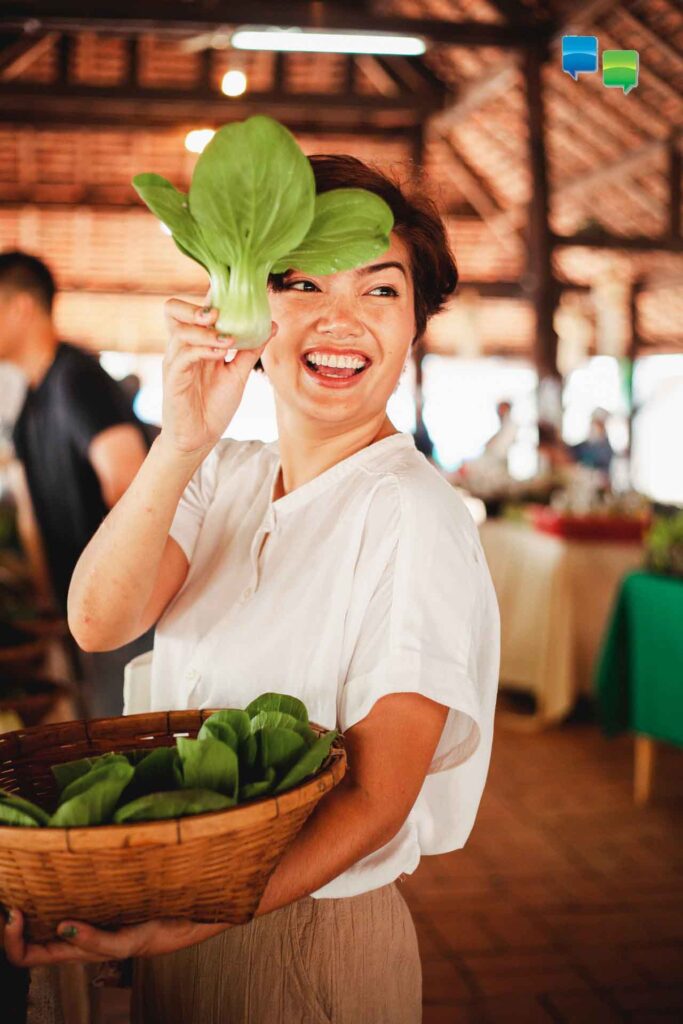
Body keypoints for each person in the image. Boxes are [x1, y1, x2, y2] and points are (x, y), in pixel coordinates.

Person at [5, 156, 500, 1023]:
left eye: (379, 291)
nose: (339, 319)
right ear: (246, 307)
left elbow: (376, 797)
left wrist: (184, 922)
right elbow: (97, 620)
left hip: (304, 945)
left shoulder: (414, 514)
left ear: (417, 323)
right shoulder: (221, 472)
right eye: (300, 281)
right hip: (187, 932)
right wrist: (184, 437)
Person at [0, 251, 153, 717]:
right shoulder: (29, 405)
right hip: (81, 618)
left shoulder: (77, 379)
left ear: (22, 307)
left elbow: (129, 482)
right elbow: (33, 516)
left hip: (121, 611)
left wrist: (106, 590)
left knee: (122, 735)